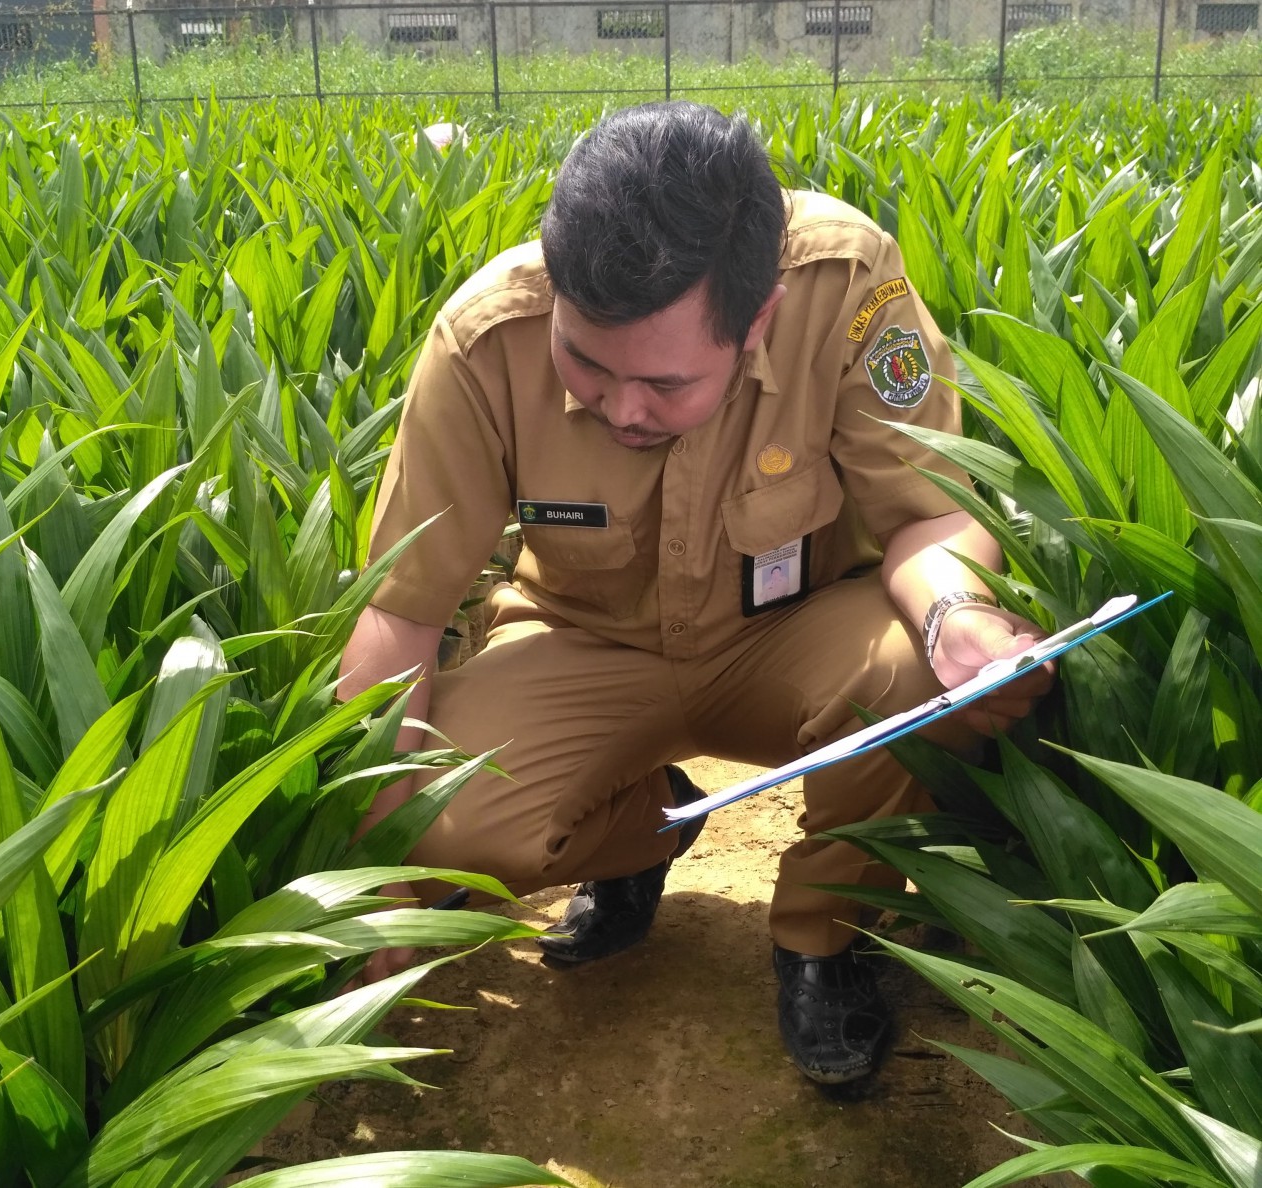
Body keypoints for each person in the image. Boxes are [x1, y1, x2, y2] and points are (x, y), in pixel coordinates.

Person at [339, 101, 1051, 1087]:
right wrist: (379, 863)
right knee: (454, 824)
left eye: (663, 384)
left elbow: (926, 514)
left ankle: (821, 941)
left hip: (796, 631)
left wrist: (955, 617)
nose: (620, 408)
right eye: (584, 362)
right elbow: (402, 612)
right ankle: (643, 826)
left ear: (757, 315)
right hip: (583, 637)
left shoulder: (843, 286)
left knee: (918, 686)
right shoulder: (483, 337)